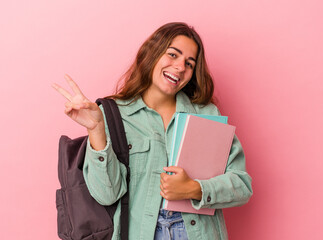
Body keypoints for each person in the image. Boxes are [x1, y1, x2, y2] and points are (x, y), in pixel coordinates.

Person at [53, 22, 253, 240]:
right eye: (173, 55)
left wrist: (193, 189)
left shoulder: (206, 114)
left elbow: (241, 185)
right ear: (152, 53)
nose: (180, 67)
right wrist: (97, 129)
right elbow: (107, 195)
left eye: (189, 63)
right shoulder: (114, 115)